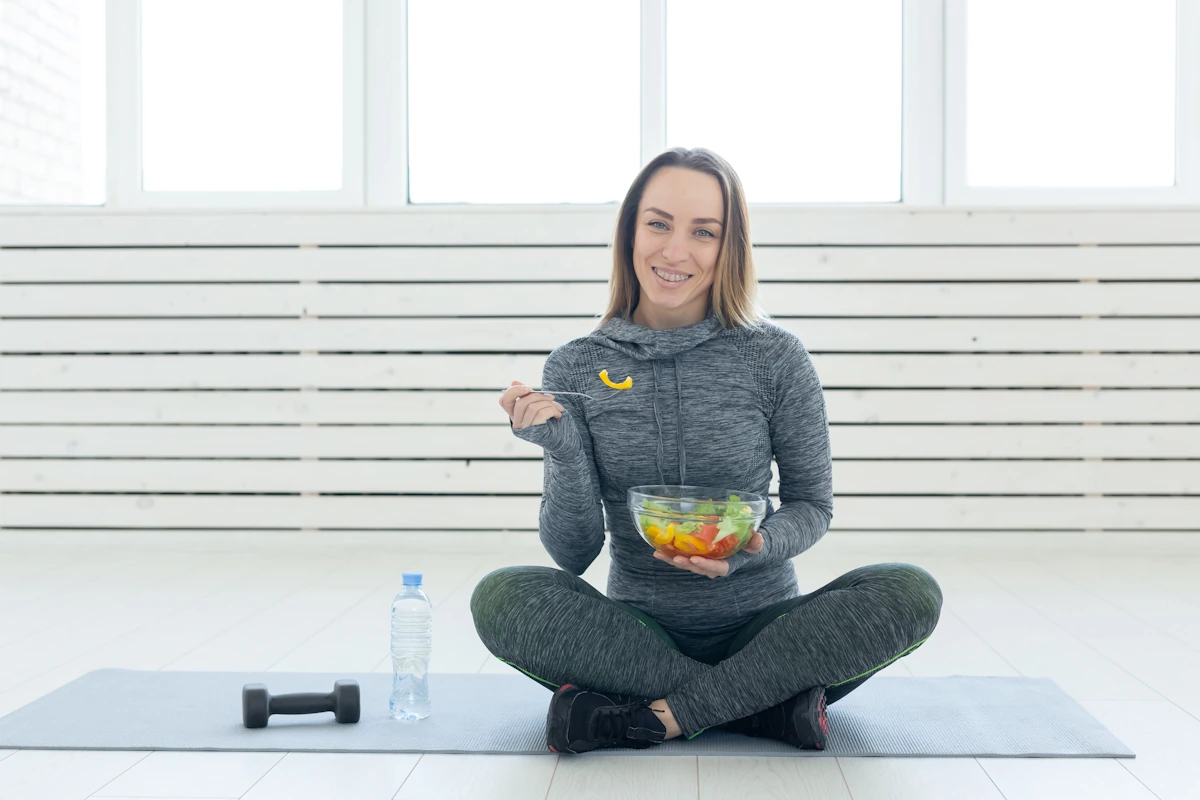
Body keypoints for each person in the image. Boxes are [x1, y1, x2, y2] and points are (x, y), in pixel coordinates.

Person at [470, 147, 942, 755]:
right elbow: (573, 553)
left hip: (769, 635)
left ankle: (657, 714)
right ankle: (764, 708)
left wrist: (754, 548)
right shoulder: (577, 365)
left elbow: (812, 505)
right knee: (502, 596)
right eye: (659, 224)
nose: (675, 251)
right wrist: (561, 450)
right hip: (634, 638)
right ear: (630, 232)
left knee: (908, 590)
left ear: (729, 248)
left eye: (703, 232)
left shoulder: (775, 357)